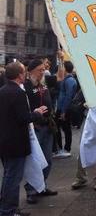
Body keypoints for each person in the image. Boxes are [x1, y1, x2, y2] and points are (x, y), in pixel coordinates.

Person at [0, 61, 48, 216]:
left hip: (5, 141)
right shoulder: (18, 93)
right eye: (24, 72)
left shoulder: (3, 90)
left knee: (8, 175)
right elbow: (23, 118)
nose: (25, 74)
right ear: (20, 75)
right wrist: (36, 113)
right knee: (13, 179)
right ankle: (8, 210)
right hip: (16, 142)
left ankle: (7, 208)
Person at [23, 59, 58, 204]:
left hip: (47, 126)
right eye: (39, 70)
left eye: (43, 69)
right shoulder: (25, 87)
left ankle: (41, 186)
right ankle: (31, 189)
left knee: (47, 160)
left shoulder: (43, 84)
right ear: (30, 71)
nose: (42, 72)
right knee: (36, 161)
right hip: (35, 128)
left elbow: (59, 77)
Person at [54, 60, 77, 158]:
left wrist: (63, 111)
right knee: (60, 127)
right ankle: (61, 148)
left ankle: (66, 149)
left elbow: (68, 96)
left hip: (64, 108)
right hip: (62, 108)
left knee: (65, 128)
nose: (61, 69)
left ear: (65, 68)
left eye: (62, 67)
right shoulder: (67, 79)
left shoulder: (70, 80)